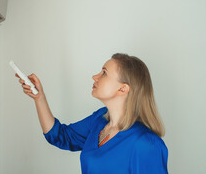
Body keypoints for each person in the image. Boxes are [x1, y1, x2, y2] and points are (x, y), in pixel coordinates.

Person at [15, 53, 168, 173]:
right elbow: (60, 136)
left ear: (123, 89)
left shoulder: (146, 144)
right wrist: (39, 98)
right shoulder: (99, 120)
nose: (94, 76)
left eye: (104, 73)